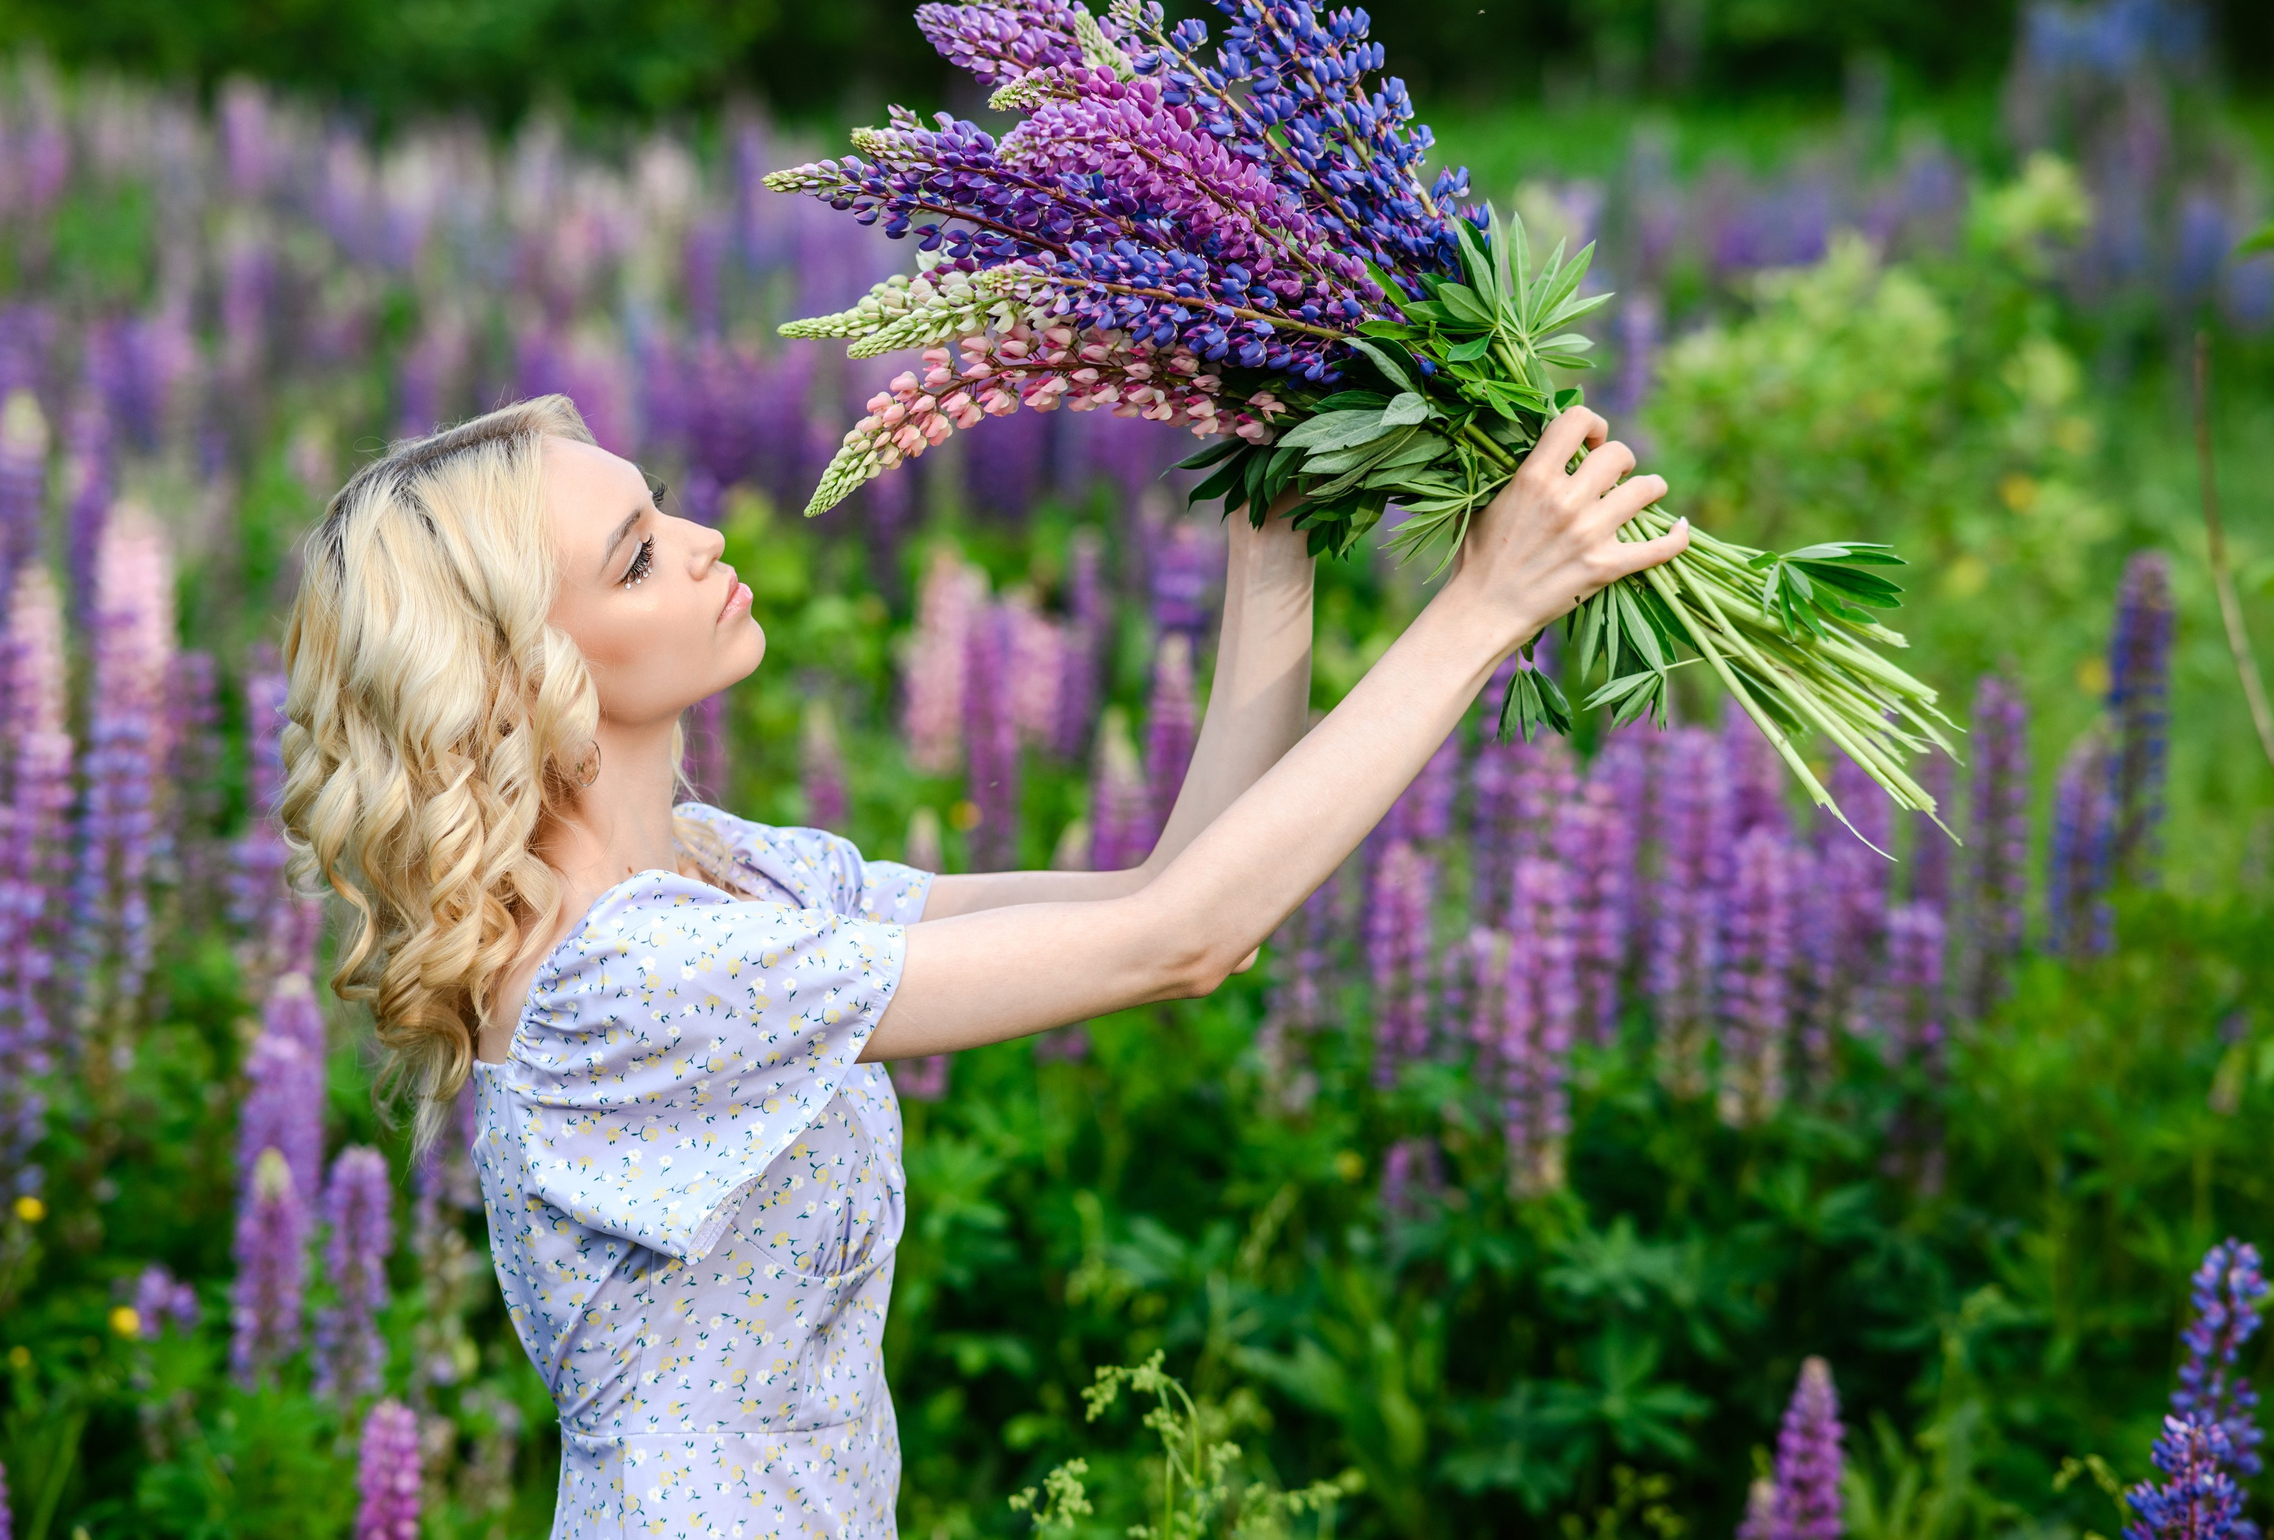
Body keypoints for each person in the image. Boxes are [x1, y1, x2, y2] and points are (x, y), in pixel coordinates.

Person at [276, 392, 1684, 1538]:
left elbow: (1174, 891)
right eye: (638, 555)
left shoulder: (728, 874)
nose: (705, 538)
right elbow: (1175, 941)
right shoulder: (633, 977)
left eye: (663, 509)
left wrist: (1272, 539)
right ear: (523, 680)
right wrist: (1485, 605)